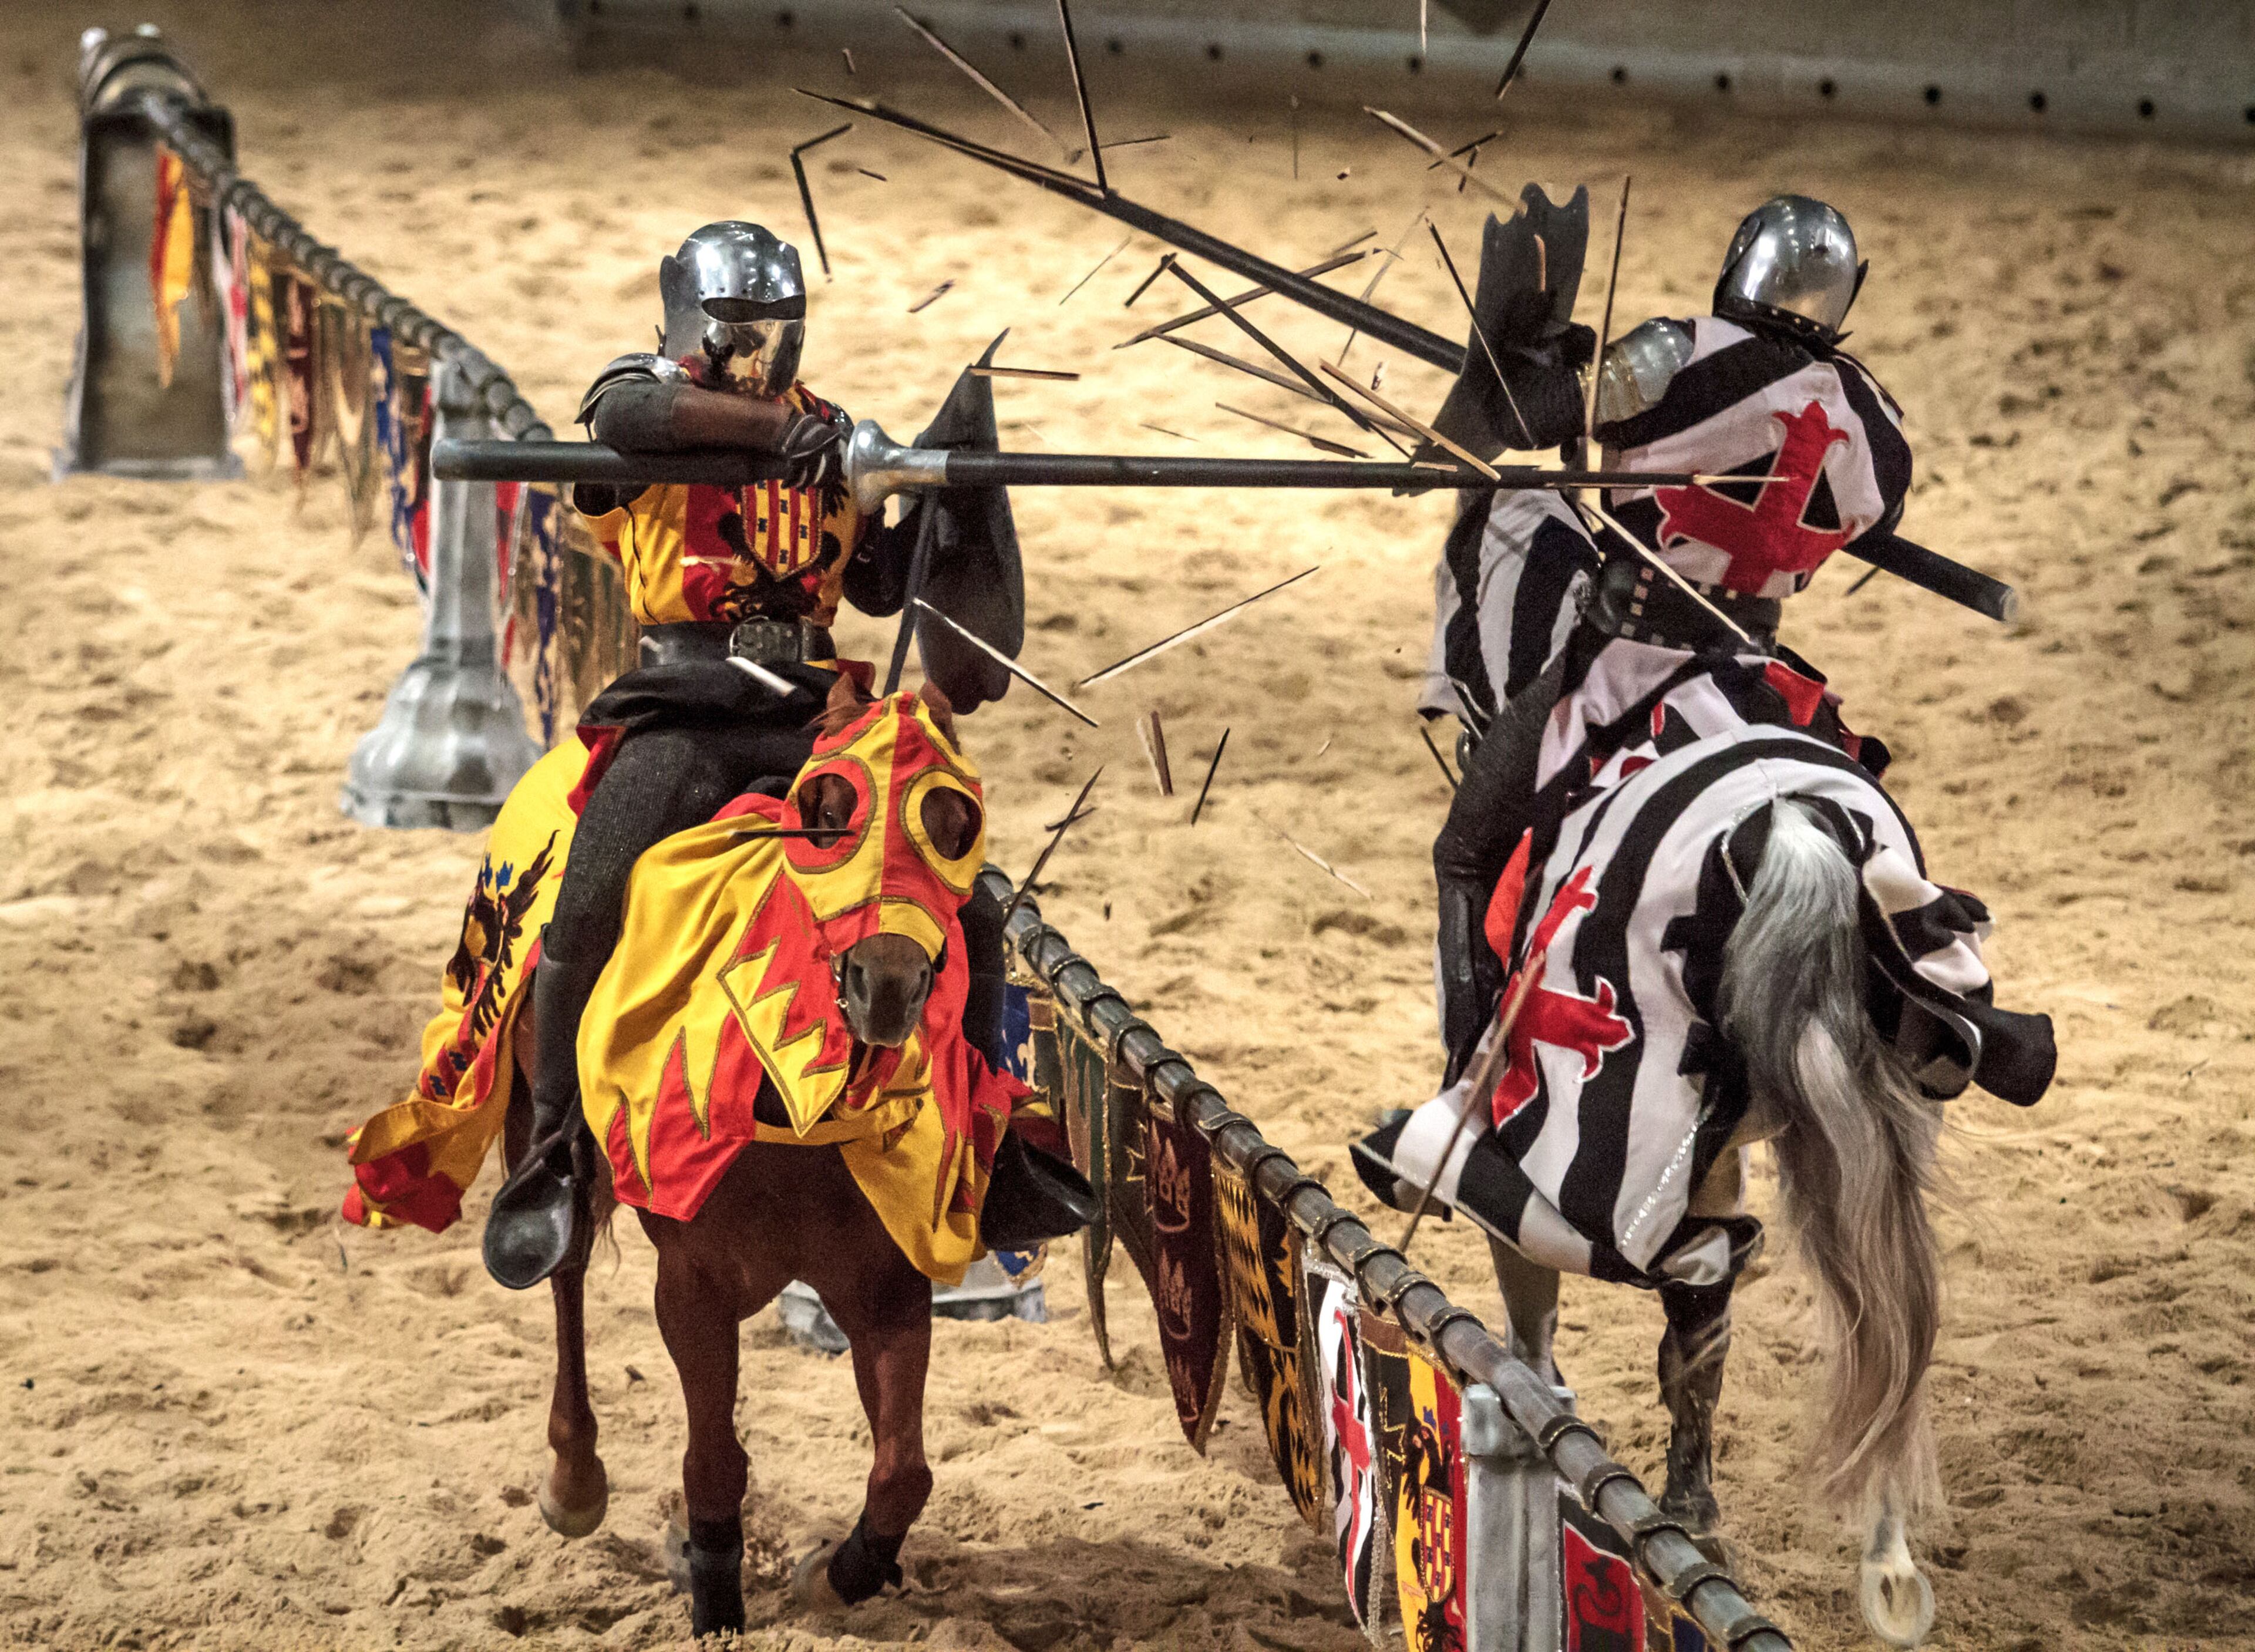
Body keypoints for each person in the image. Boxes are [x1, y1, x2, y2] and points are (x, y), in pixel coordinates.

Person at [482, 221, 1008, 1289]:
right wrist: (775, 440)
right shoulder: (647, 409)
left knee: (968, 900)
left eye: (775, 333)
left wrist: (930, 494)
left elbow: (885, 586)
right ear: (691, 325)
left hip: (813, 714)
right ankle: (554, 1149)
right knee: (586, 900)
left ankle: (1001, 1143)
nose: (758, 352)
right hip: (683, 709)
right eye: (737, 333)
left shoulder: (835, 438)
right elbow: (624, 413)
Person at [1429, 195, 1913, 1081]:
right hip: (1752, 678)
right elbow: (1877, 505)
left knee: (1463, 851)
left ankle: (1467, 1089)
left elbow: (1525, 419)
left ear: (1741, 263)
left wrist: (1535, 357)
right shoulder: (1875, 421)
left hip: (1626, 663)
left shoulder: (1675, 353)